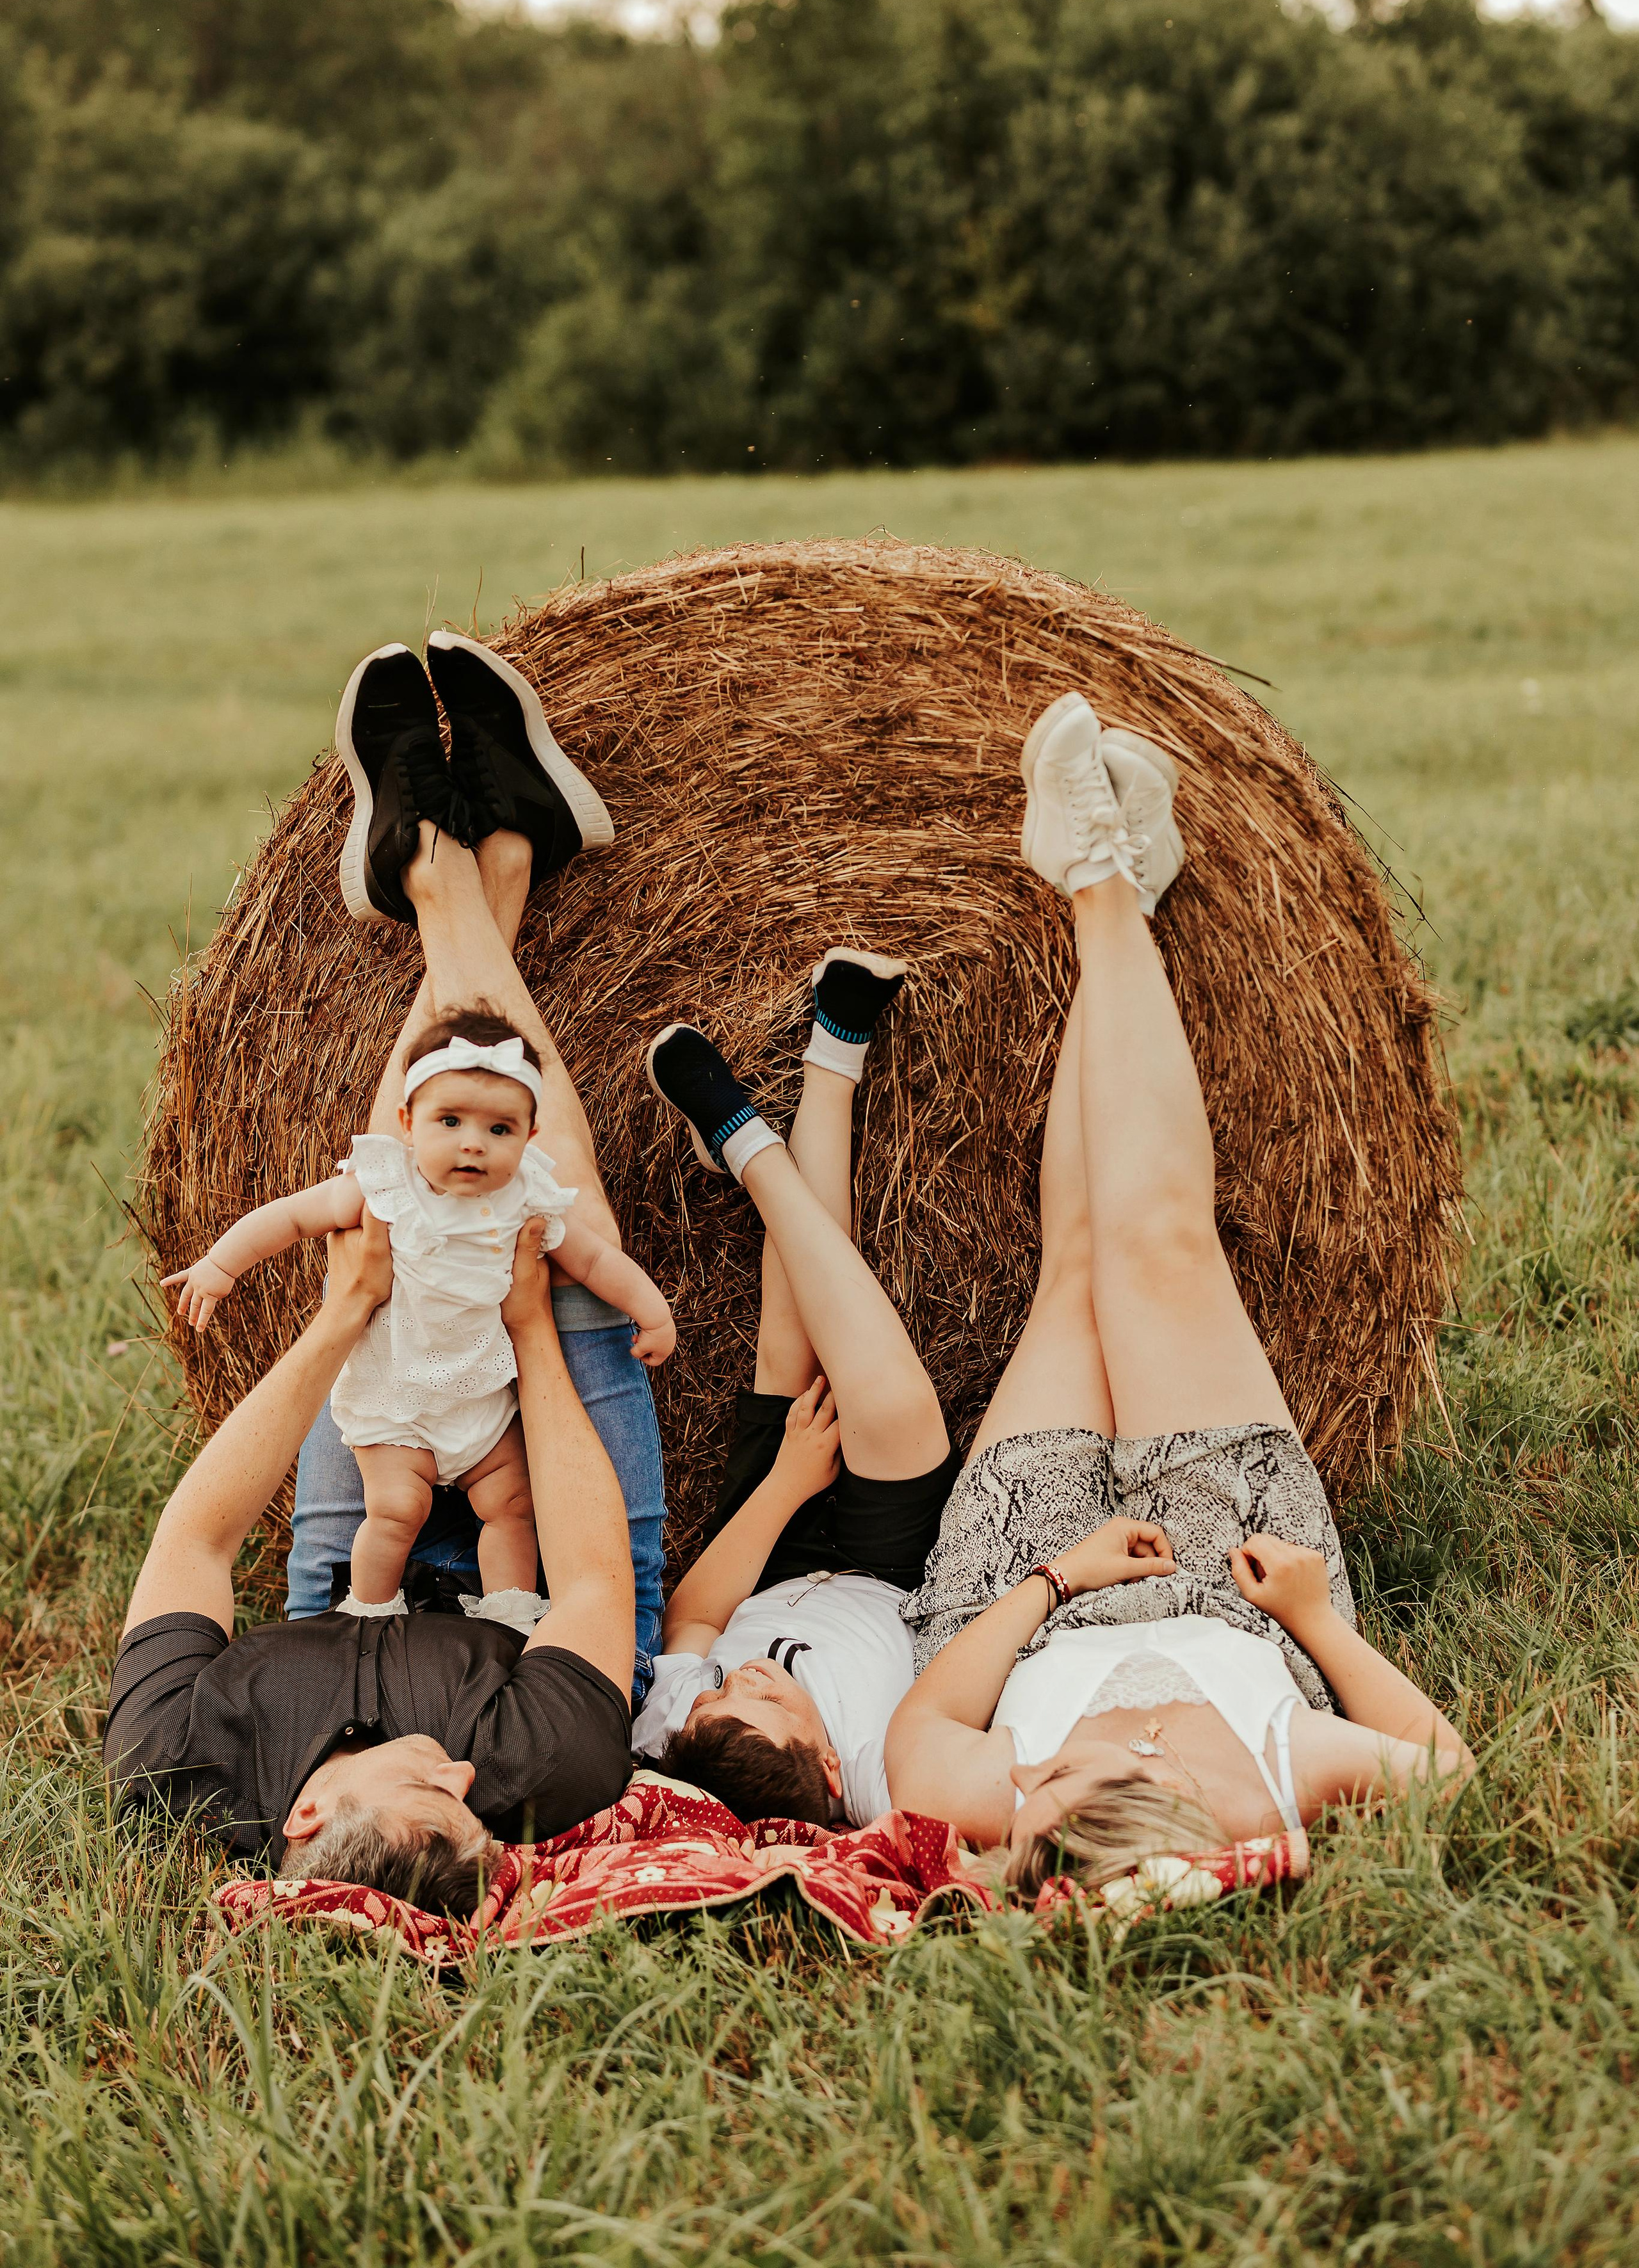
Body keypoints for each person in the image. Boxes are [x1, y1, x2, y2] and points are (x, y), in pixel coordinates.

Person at [878, 692, 1474, 1890]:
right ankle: (1101, 886)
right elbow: (1445, 1769)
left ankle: (1121, 895)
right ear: (1172, 1799)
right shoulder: (1269, 1776)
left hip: (1024, 1574)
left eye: (1031, 1790)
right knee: (1164, 1251)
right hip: (1243, 1567)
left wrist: (1060, 1578)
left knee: (1080, 1273)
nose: (1031, 1777)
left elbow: (923, 1739)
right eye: (1060, 1783)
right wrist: (1312, 1618)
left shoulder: (1015, 1807)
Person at [263, 634, 667, 1690]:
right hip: (572, 1608)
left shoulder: (317, 1723)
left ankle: (451, 878)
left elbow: (315, 1585)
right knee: (549, 1194)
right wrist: (529, 1322)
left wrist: (344, 1315)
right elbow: (613, 1603)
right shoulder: (565, 1760)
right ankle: (474, 870)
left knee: (395, 1195)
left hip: (371, 1545)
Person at [104, 1212, 636, 1913]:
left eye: (428, 1790)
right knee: (558, 1220)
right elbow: (593, 1581)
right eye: (472, 1806)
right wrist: (531, 1326)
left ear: (308, 1816)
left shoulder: (173, 1767)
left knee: (387, 1207)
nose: (462, 1775)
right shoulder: (545, 1768)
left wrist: (342, 1313)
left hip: (347, 1574)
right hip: (519, 1574)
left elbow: (196, 1540)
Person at [162, 997, 672, 1609]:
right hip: (396, 1398)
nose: (473, 1145)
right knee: (397, 1510)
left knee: (514, 1506)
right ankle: (368, 1611)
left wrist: (651, 1308)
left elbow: (592, 1261)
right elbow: (296, 1216)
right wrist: (222, 1264)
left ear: (530, 1136)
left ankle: (509, 1611)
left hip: (480, 1394)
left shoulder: (528, 1197)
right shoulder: (386, 1186)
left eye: (499, 1129)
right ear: (408, 1123)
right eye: (449, 1122)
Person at [633, 953, 962, 1826]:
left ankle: (798, 1090)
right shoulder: (879, 1777)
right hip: (890, 1570)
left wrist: (786, 1483)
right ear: (826, 1766)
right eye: (768, 1704)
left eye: (716, 1699)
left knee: (793, 1345)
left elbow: (694, 1618)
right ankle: (772, 1120)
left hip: (764, 1549)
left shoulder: (681, 1739)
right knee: (889, 1403)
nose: (742, 1683)